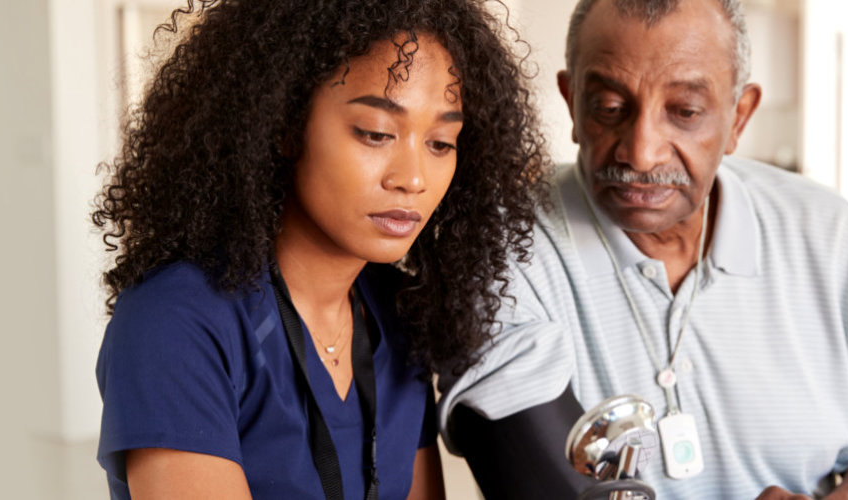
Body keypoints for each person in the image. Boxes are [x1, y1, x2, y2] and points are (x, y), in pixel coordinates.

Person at [437, 0, 848, 499]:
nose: (642, 151)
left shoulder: (829, 233)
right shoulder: (499, 244)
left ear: (739, 117)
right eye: (610, 108)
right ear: (572, 103)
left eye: (684, 112)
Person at [91, 0, 548, 498]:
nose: (413, 178)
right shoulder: (175, 323)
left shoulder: (396, 315)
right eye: (376, 134)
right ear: (284, 125)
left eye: (441, 143)